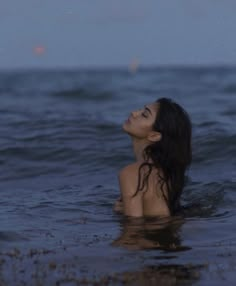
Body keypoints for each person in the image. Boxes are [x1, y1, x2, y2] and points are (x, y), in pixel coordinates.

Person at [114, 98, 192, 218]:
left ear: (154, 135)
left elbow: (134, 231)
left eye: (144, 114)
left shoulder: (132, 174)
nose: (134, 113)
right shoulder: (165, 174)